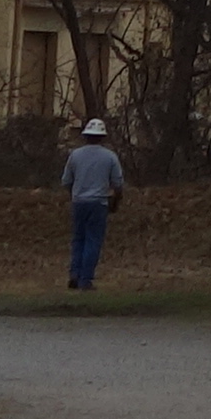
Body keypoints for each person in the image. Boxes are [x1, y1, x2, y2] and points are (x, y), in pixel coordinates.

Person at [63, 116, 124, 290]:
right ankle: (85, 280)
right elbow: (118, 184)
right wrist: (116, 202)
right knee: (93, 240)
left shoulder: (75, 155)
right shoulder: (110, 157)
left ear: (85, 135)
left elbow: (66, 181)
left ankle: (74, 274)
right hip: (98, 203)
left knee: (78, 239)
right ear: (102, 137)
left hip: (79, 202)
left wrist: (74, 195)